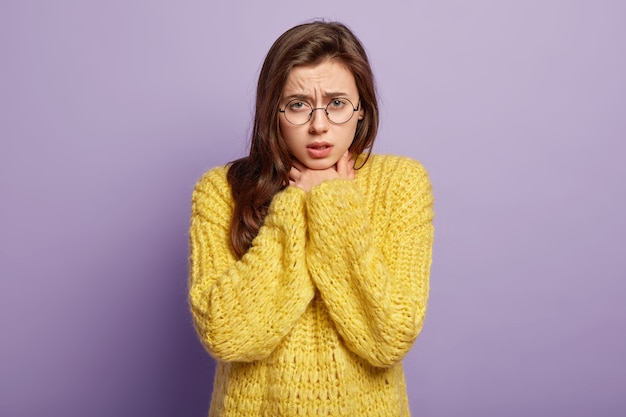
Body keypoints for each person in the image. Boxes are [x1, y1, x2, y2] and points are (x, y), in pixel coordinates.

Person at [188, 20, 434, 417]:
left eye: (337, 103)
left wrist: (332, 201)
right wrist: (293, 205)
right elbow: (225, 334)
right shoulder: (220, 190)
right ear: (273, 112)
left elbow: (387, 337)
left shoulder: (401, 184)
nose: (319, 125)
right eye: (298, 105)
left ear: (361, 110)